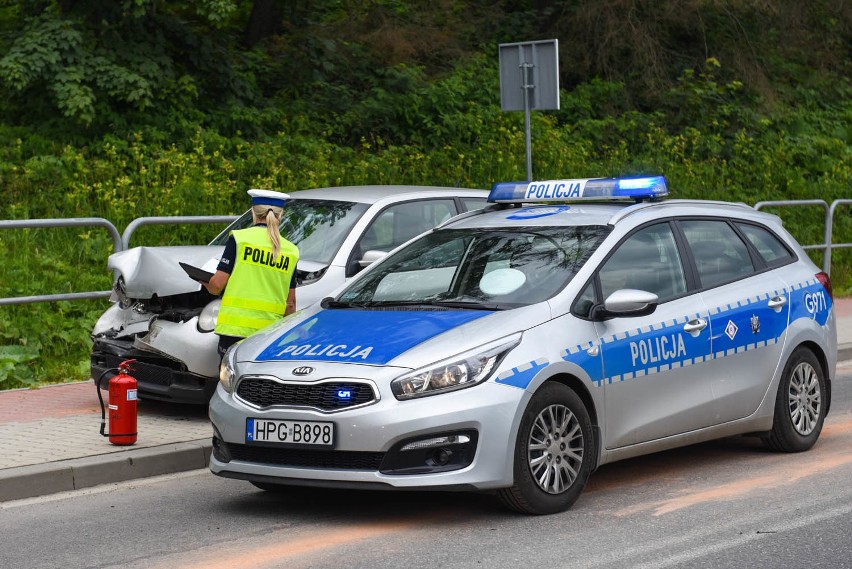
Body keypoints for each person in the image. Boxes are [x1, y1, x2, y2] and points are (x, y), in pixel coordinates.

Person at [203, 188, 299, 359]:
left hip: (234, 329)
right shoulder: (291, 251)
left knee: (230, 379)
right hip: (269, 333)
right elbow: (290, 304)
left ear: (253, 213)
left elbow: (217, 286)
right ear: (280, 215)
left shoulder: (240, 239)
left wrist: (206, 283)